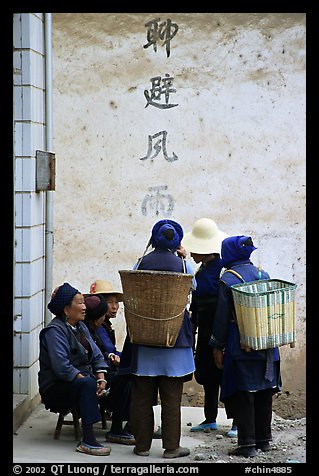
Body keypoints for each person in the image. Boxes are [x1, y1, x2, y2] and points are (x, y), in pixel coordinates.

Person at [118, 219, 195, 459]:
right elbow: (195, 287)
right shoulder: (183, 267)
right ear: (177, 241)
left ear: (154, 238)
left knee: (141, 396)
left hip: (144, 340)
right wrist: (185, 257)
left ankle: (141, 446)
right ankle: (171, 448)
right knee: (171, 399)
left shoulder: (140, 263)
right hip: (174, 341)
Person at [209, 236, 282, 457]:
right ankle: (264, 441)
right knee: (263, 391)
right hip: (267, 344)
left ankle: (247, 445)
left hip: (240, 345)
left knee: (244, 393)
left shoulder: (228, 280)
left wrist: (217, 346)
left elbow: (222, 319)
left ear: (229, 253)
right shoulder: (264, 274)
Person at [38, 282, 111, 456]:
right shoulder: (54, 331)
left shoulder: (80, 326)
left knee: (121, 378)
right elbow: (62, 368)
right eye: (79, 302)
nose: (84, 307)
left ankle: (117, 430)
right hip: (57, 388)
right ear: (66, 309)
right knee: (86, 384)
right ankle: (88, 440)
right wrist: (92, 383)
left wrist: (101, 378)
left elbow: (97, 356)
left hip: (82, 380)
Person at [181, 218, 237, 437]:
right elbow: (195, 302)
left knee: (226, 375)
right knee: (208, 374)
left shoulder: (222, 271)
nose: (192, 253)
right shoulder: (201, 270)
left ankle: (236, 422)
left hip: (221, 329)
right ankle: (210, 418)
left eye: (195, 250)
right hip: (204, 330)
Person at [83, 292, 135, 445]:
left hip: (100, 372)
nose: (114, 307)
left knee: (127, 377)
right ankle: (118, 427)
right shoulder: (89, 331)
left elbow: (101, 354)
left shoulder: (95, 328)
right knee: (125, 379)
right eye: (109, 303)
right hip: (91, 376)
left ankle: (132, 422)